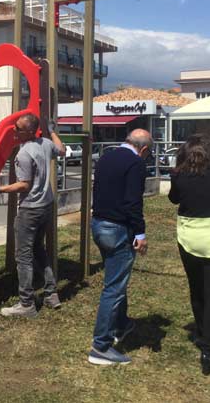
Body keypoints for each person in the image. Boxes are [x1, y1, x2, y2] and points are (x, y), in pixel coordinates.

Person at [168, 134, 210, 375]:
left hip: (189, 237)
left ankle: (199, 331)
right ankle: (208, 345)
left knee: (196, 288)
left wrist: (176, 178)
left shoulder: (178, 175)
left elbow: (173, 198)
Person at [0, 113, 65, 318]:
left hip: (30, 209)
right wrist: (52, 131)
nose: (14, 131)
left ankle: (27, 304)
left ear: (29, 131)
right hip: (46, 206)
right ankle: (51, 294)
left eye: (18, 128)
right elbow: (62, 150)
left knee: (23, 257)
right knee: (38, 250)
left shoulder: (23, 154)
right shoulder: (45, 143)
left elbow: (24, 185)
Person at [88, 129, 151, 365]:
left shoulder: (106, 156)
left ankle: (121, 324)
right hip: (118, 229)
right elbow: (133, 201)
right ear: (143, 149)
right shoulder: (136, 164)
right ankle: (100, 346)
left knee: (116, 278)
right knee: (113, 288)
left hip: (99, 225)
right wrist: (140, 233)